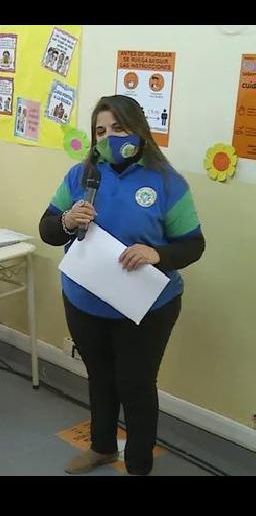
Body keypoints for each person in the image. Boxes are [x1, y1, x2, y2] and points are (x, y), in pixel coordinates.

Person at [38, 95, 205, 475]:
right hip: (84, 299)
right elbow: (47, 228)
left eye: (118, 128)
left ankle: (138, 465)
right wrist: (66, 219)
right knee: (100, 377)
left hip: (145, 305)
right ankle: (101, 448)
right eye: (101, 130)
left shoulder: (166, 183)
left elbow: (193, 245)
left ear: (138, 130)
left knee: (136, 384)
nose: (109, 137)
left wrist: (156, 254)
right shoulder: (81, 176)